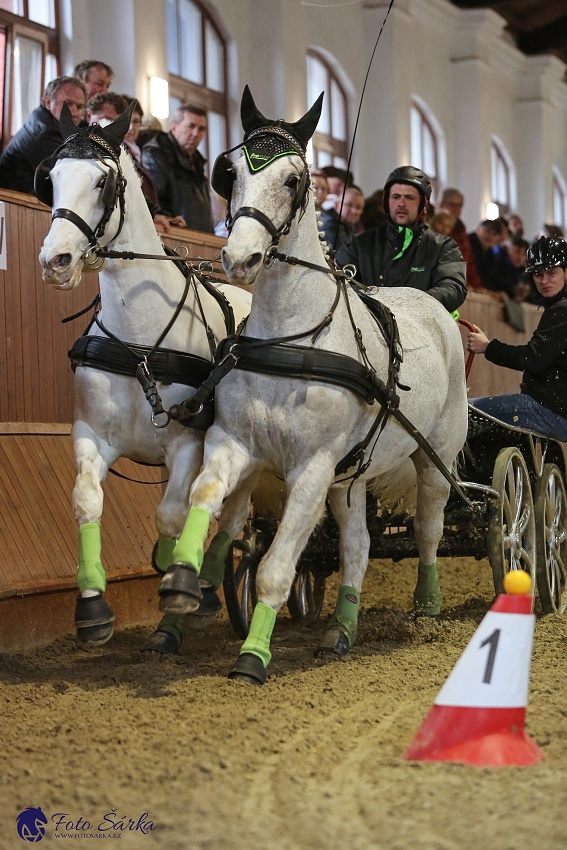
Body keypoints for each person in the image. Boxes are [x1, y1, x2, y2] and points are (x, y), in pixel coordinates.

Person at [467, 236, 567, 440]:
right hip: (554, 409)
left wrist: (487, 347)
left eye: (552, 273)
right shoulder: (557, 307)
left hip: (550, 411)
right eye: (538, 274)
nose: (544, 280)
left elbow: (533, 359)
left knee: (466, 413)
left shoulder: (562, 310)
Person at [335, 165, 466, 313]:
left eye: (409, 197)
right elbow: (338, 284)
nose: (401, 203)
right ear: (386, 202)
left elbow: (454, 288)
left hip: (419, 329)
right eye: (396, 197)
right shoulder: (358, 244)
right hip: (366, 330)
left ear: (423, 204)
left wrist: (411, 303)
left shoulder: (443, 247)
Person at [0, 75, 86, 195]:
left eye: (79, 107)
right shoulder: (43, 133)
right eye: (68, 104)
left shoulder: (56, 122)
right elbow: (72, 175)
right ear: (48, 102)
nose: (74, 112)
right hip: (17, 203)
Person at [141, 103, 214, 233]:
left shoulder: (197, 161)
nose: (196, 133)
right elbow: (154, 199)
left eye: (201, 129)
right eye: (191, 126)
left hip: (200, 238)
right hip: (172, 234)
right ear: (174, 127)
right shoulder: (156, 153)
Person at [438, 187, 484, 292]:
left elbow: (469, 263)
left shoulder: (462, 232)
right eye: (452, 205)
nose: (456, 209)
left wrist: (478, 287)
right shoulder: (436, 229)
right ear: (441, 205)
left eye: (459, 205)